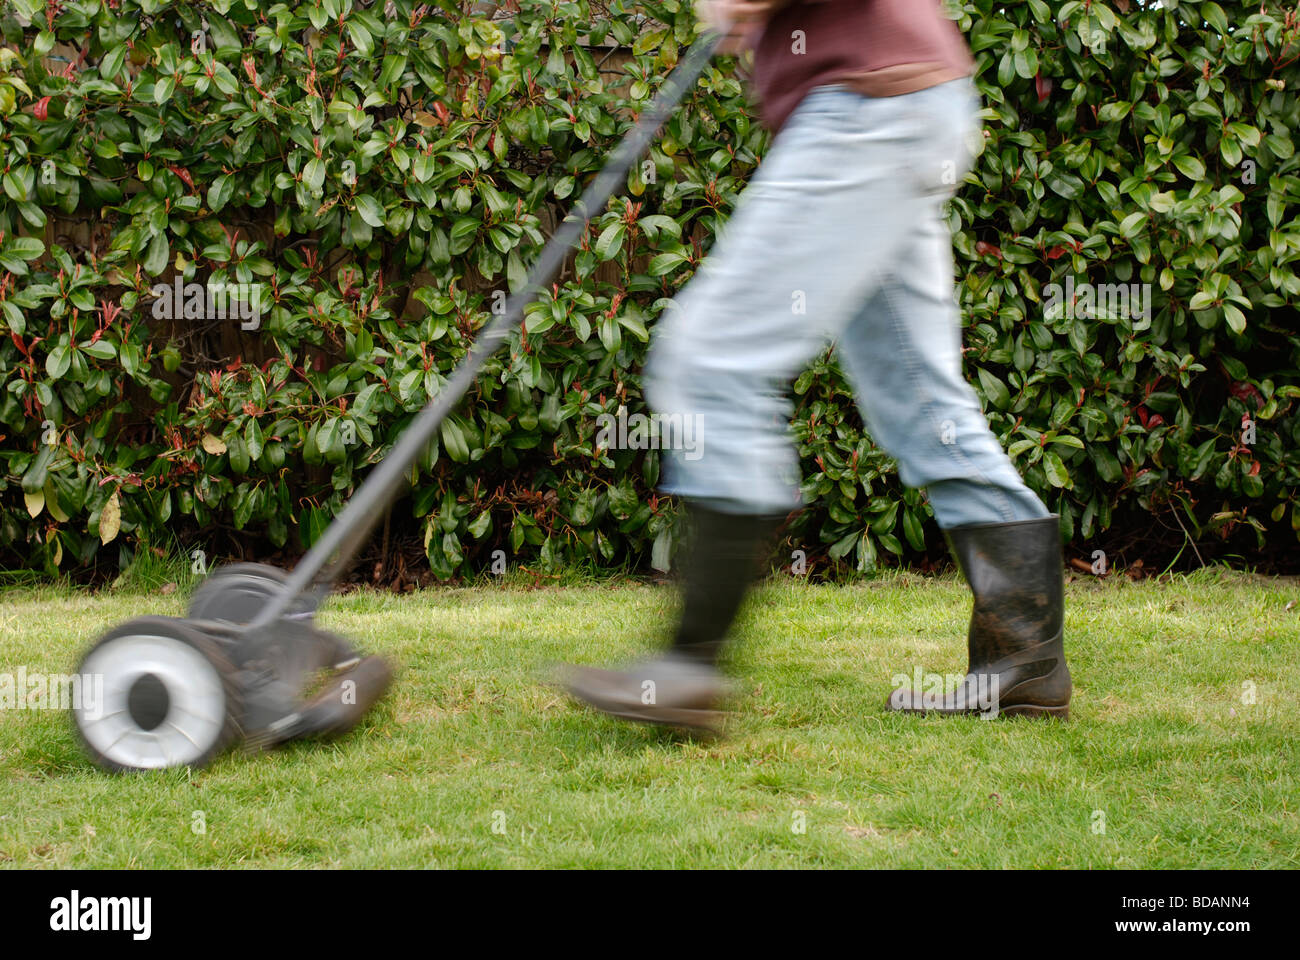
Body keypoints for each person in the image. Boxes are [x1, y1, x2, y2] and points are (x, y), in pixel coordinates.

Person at [561, 0, 1071, 731]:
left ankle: (688, 664)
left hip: (870, 108)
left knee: (711, 363)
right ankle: (1026, 663)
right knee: (923, 403)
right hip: (905, 102)